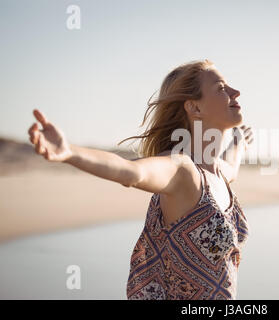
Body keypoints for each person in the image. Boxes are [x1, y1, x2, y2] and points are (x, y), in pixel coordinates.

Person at [27, 59, 254, 299]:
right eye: (221, 88)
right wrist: (70, 152)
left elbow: (232, 167)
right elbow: (131, 172)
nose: (235, 92)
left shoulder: (219, 172)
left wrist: (239, 144)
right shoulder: (183, 171)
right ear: (194, 108)